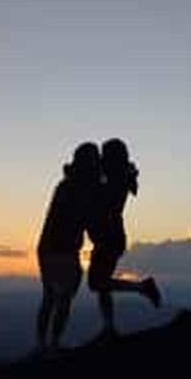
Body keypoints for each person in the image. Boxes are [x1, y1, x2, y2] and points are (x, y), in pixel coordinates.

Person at [87, 137, 161, 341]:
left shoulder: (114, 180)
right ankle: (109, 328)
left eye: (104, 154)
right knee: (101, 285)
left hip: (109, 238)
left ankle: (142, 287)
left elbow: (101, 197)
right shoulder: (118, 176)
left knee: (97, 283)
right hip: (109, 237)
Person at [35, 142, 101, 353]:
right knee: (61, 298)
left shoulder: (67, 185)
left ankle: (44, 344)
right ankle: (50, 344)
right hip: (59, 250)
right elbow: (84, 216)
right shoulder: (77, 188)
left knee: (52, 298)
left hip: (51, 248)